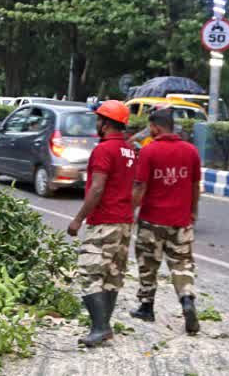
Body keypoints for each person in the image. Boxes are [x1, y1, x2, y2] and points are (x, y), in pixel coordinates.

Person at [66, 99, 136, 348]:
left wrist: (77, 220)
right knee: (112, 275)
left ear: (105, 123)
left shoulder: (104, 150)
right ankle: (104, 326)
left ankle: (100, 327)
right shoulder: (129, 149)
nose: (96, 124)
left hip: (105, 221)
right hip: (125, 221)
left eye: (98, 120)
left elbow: (96, 189)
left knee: (87, 272)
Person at [130, 108, 202, 335]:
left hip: (152, 220)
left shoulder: (149, 151)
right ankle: (187, 300)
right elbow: (194, 187)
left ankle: (146, 307)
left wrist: (130, 211)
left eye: (150, 127)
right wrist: (193, 212)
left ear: (155, 127)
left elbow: (140, 186)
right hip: (181, 221)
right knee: (182, 264)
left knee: (148, 263)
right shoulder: (191, 152)